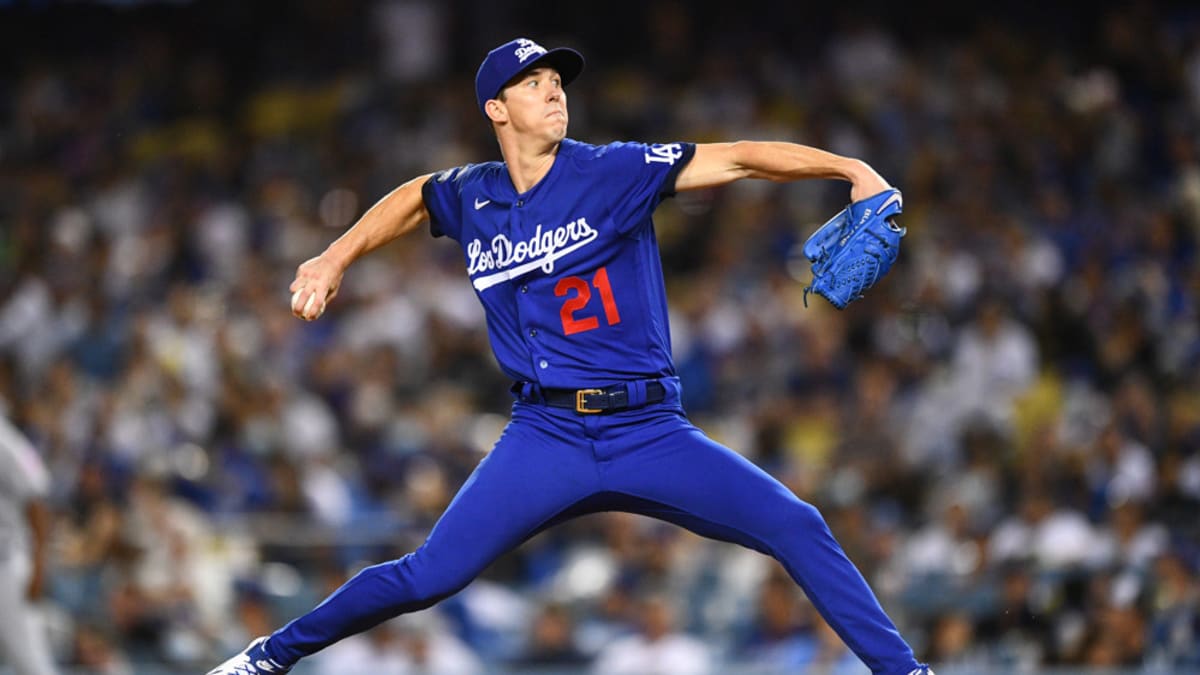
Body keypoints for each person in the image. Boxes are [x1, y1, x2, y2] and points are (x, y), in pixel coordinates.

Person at [209, 37, 933, 675]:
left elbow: (739, 159)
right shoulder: (475, 196)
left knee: (795, 522)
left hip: (648, 428)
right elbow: (413, 198)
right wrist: (335, 257)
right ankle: (268, 655)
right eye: (534, 82)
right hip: (545, 434)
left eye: (558, 80)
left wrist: (848, 167)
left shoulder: (614, 170)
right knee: (428, 575)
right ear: (497, 109)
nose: (555, 88)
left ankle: (904, 674)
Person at [0, 412, 59, 675]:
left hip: (7, 568)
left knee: (32, 664)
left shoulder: (8, 442)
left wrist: (39, 565)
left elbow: (37, 503)